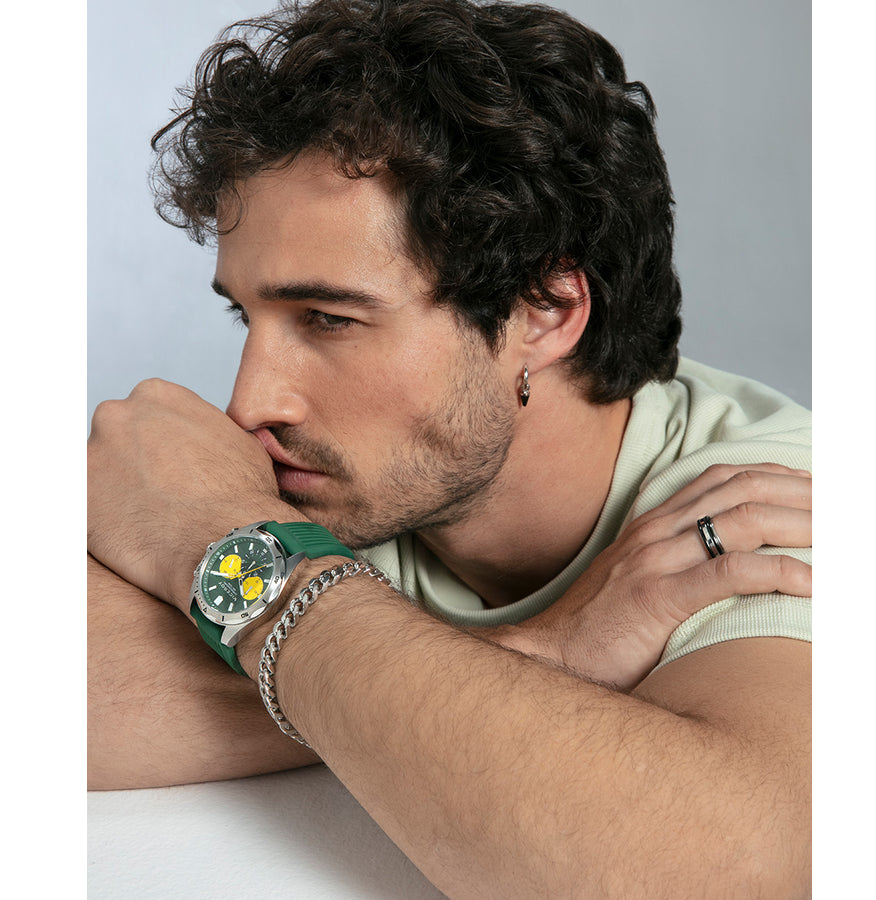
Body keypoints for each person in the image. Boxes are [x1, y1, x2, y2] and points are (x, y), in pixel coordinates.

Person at [87, 0, 811, 895]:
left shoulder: (752, 506)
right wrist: (546, 649)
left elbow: (717, 867)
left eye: (328, 318)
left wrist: (232, 547)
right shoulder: (334, 475)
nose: (249, 405)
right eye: (248, 316)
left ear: (545, 311)